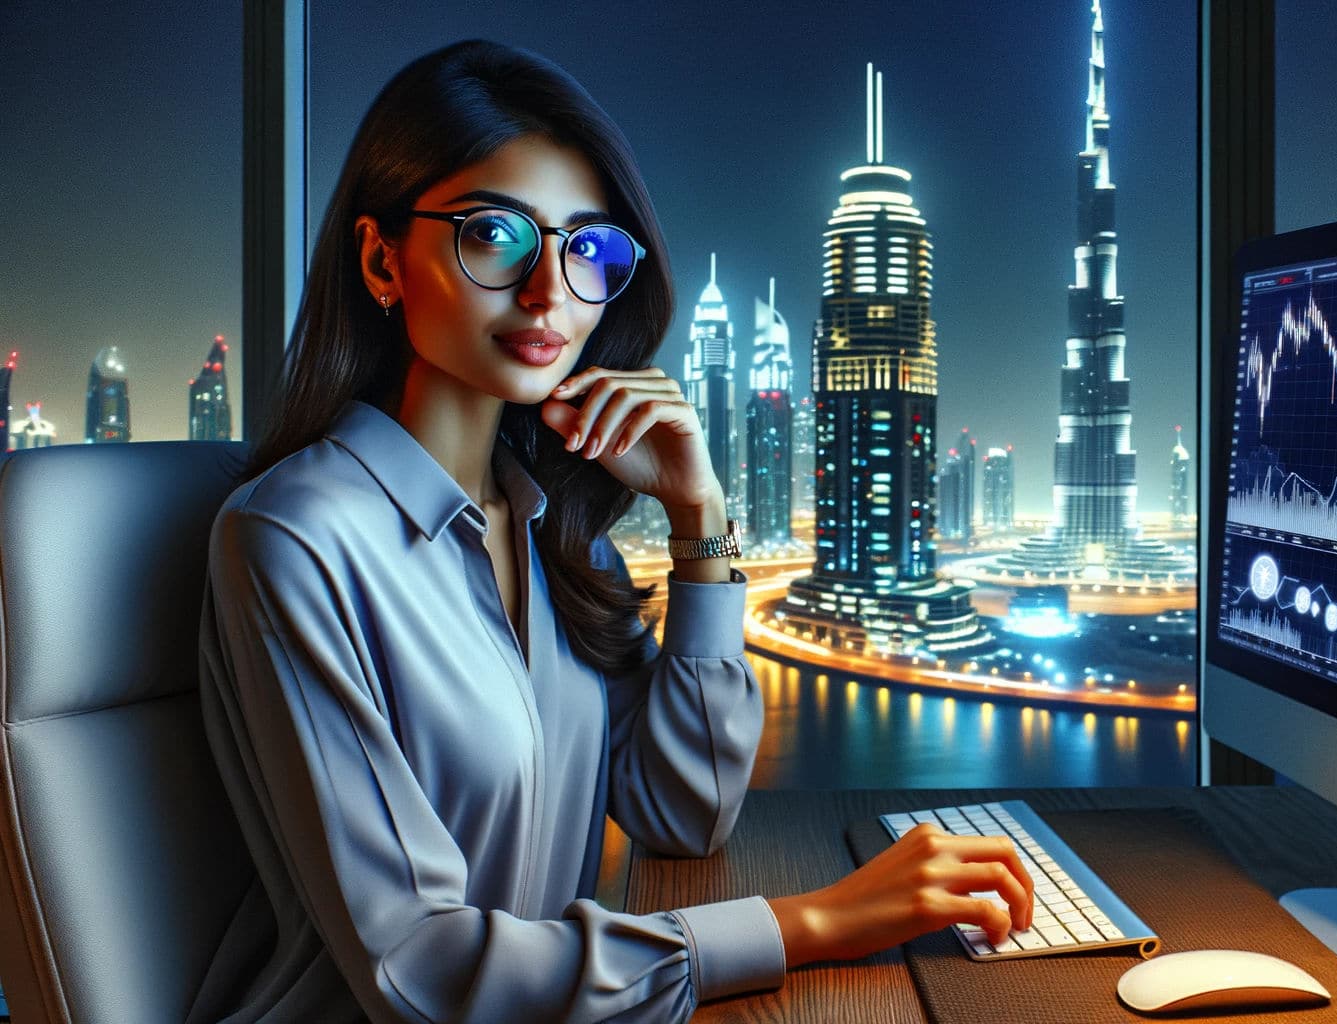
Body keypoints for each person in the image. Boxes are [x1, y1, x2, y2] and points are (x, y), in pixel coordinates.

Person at [190, 39, 1034, 1024]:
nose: (550, 290)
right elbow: (420, 965)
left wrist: (699, 517)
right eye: (495, 234)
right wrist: (812, 922)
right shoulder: (296, 541)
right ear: (383, 259)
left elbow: (682, 811)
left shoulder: (556, 527)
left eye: (588, 248)